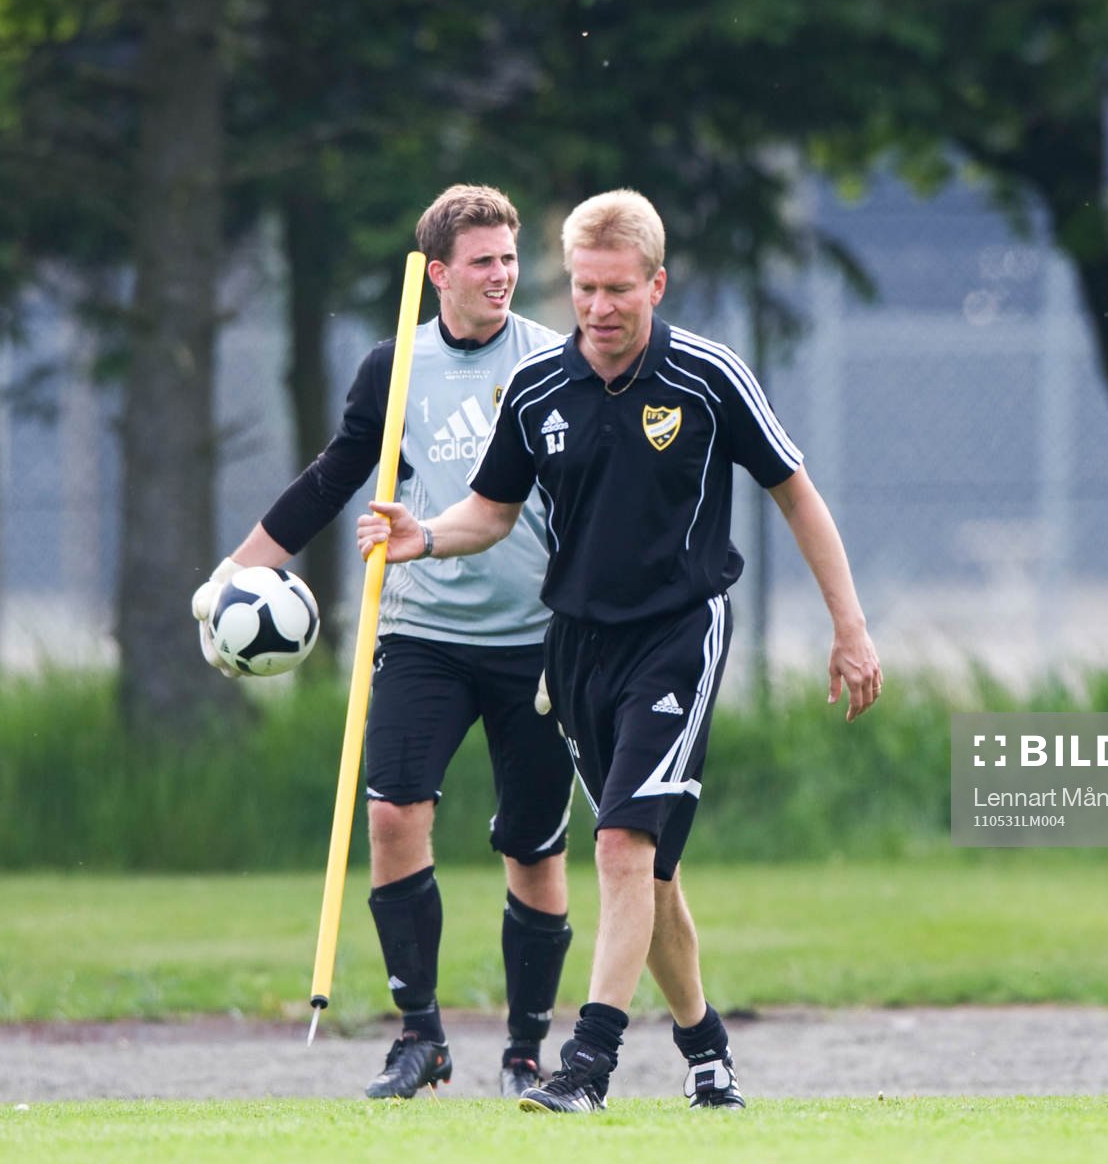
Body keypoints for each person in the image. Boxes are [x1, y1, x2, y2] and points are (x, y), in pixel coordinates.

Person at [357, 188, 882, 1114]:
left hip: (678, 636)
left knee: (620, 845)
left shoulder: (707, 376)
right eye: (585, 288)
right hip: (576, 651)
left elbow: (794, 492)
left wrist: (850, 627)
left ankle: (586, 1066)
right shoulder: (536, 389)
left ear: (656, 285)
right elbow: (491, 512)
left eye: (618, 290)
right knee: (650, 871)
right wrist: (424, 536)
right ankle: (707, 1052)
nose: (599, 308)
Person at [190, 184, 577, 1101]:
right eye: (481, 262)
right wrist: (233, 572)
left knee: (533, 850)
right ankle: (420, 1037)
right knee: (394, 816)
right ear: (437, 272)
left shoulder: (550, 361)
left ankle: (525, 1051)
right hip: (422, 630)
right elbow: (334, 477)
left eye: (509, 259)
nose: (501, 275)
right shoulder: (394, 366)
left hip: (536, 640)